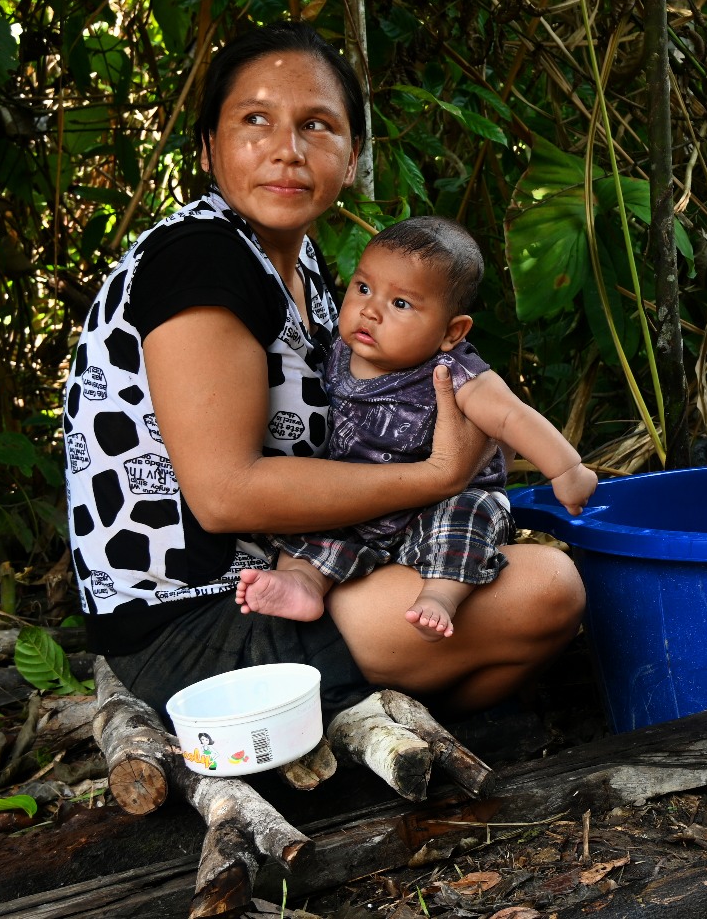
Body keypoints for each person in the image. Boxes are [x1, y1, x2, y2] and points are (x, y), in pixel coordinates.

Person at [62, 20, 584, 727]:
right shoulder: (201, 260)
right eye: (255, 120)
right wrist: (437, 476)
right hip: (194, 620)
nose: (286, 151)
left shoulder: (298, 261)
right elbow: (225, 495)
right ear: (210, 145)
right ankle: (352, 720)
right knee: (547, 589)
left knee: (494, 583)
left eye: (317, 125)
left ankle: (376, 724)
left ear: (352, 154)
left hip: (292, 570)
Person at [233, 216, 598, 640]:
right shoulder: (334, 351)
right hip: (366, 498)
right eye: (363, 288)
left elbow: (512, 416)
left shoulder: (454, 370)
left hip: (438, 507)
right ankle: (305, 582)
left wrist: (566, 470)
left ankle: (440, 596)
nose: (370, 310)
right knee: (312, 516)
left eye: (400, 304)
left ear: (451, 332)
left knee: (470, 514)